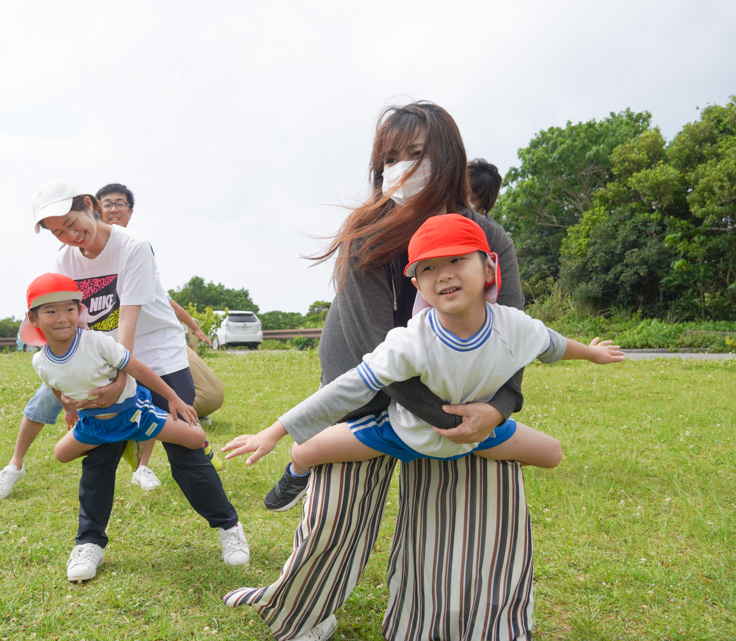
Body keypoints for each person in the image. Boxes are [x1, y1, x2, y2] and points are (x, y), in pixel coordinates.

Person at [222, 102, 535, 641]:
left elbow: (513, 336)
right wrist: (444, 419)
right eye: (391, 158)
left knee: (476, 524)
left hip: (464, 397)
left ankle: (453, 627)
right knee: (332, 521)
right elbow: (375, 355)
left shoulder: (489, 237)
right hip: (365, 396)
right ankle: (297, 610)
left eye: (418, 154)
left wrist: (495, 410)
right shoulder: (367, 232)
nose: (403, 168)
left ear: (449, 157)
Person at [226, 215, 625, 499]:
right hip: (401, 433)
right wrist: (275, 432)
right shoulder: (411, 340)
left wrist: (592, 354)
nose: (445, 274)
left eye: (457, 260)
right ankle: (298, 469)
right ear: (417, 284)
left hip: (474, 436)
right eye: (430, 268)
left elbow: (553, 345)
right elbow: (349, 388)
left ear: (488, 269)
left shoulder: (515, 326)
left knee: (552, 454)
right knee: (310, 449)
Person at [0, 180, 248, 583]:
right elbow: (74, 324)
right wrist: (76, 390)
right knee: (100, 454)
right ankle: (89, 541)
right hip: (101, 361)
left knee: (185, 451)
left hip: (157, 356)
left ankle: (229, 528)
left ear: (90, 206)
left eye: (73, 224)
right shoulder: (66, 259)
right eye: (59, 232)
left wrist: (119, 380)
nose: (70, 237)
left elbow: (126, 321)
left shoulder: (133, 247)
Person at [95, 183, 226, 491]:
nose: (114, 209)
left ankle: (195, 448)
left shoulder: (138, 247)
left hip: (159, 340)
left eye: (120, 204)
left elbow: (161, 298)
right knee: (138, 404)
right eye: (107, 204)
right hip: (122, 342)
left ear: (130, 212)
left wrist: (192, 324)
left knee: (181, 401)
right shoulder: (90, 255)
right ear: (96, 209)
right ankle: (142, 464)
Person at [23, 273, 207, 467]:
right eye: (50, 312)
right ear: (33, 318)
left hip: (134, 414)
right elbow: (54, 384)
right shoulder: (40, 361)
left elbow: (136, 368)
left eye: (69, 309)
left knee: (197, 437)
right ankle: (117, 440)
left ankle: (134, 436)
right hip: (93, 423)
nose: (61, 318)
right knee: (61, 454)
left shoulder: (95, 341)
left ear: (79, 311)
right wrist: (68, 408)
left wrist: (172, 397)